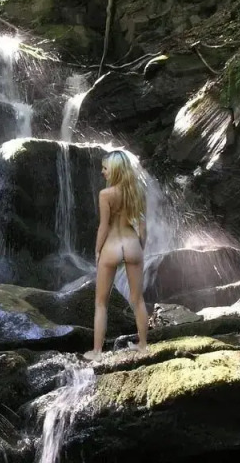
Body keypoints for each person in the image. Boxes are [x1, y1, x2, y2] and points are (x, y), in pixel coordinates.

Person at [84, 150, 150, 361]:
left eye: (105, 168)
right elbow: (142, 227)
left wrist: (97, 250)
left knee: (101, 302)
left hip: (112, 246)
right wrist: (141, 246)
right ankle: (143, 345)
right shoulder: (138, 191)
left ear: (115, 170)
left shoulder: (105, 194)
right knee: (137, 299)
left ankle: (97, 352)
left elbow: (103, 226)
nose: (102, 172)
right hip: (132, 244)